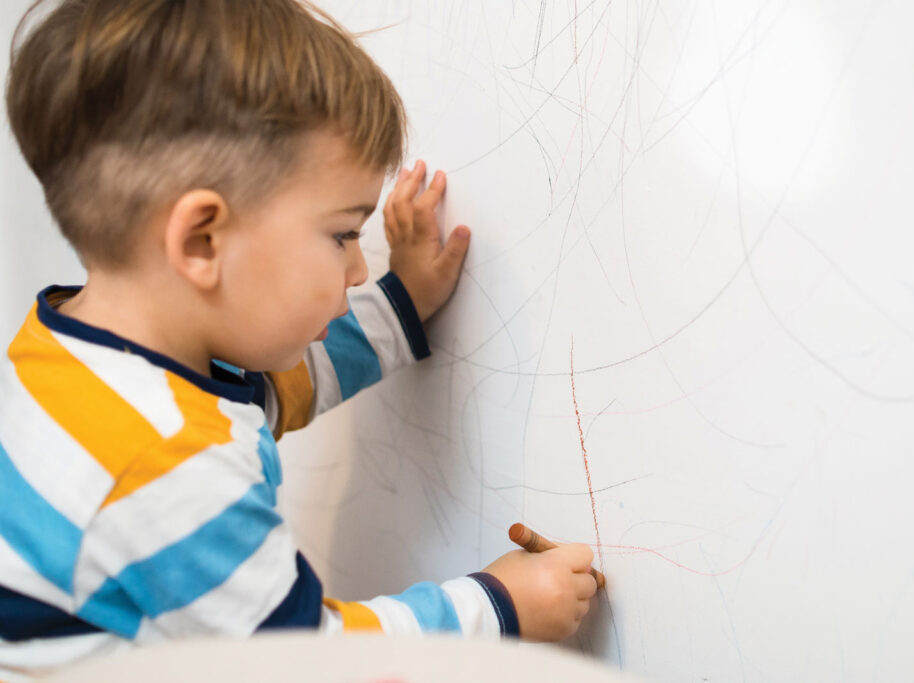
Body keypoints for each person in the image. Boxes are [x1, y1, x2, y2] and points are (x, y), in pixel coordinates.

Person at [0, 1, 598, 678]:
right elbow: (309, 659)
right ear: (202, 239)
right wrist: (500, 605)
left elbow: (270, 388)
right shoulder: (168, 465)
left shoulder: (69, 350)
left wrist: (402, 302)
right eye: (343, 233)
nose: (359, 265)